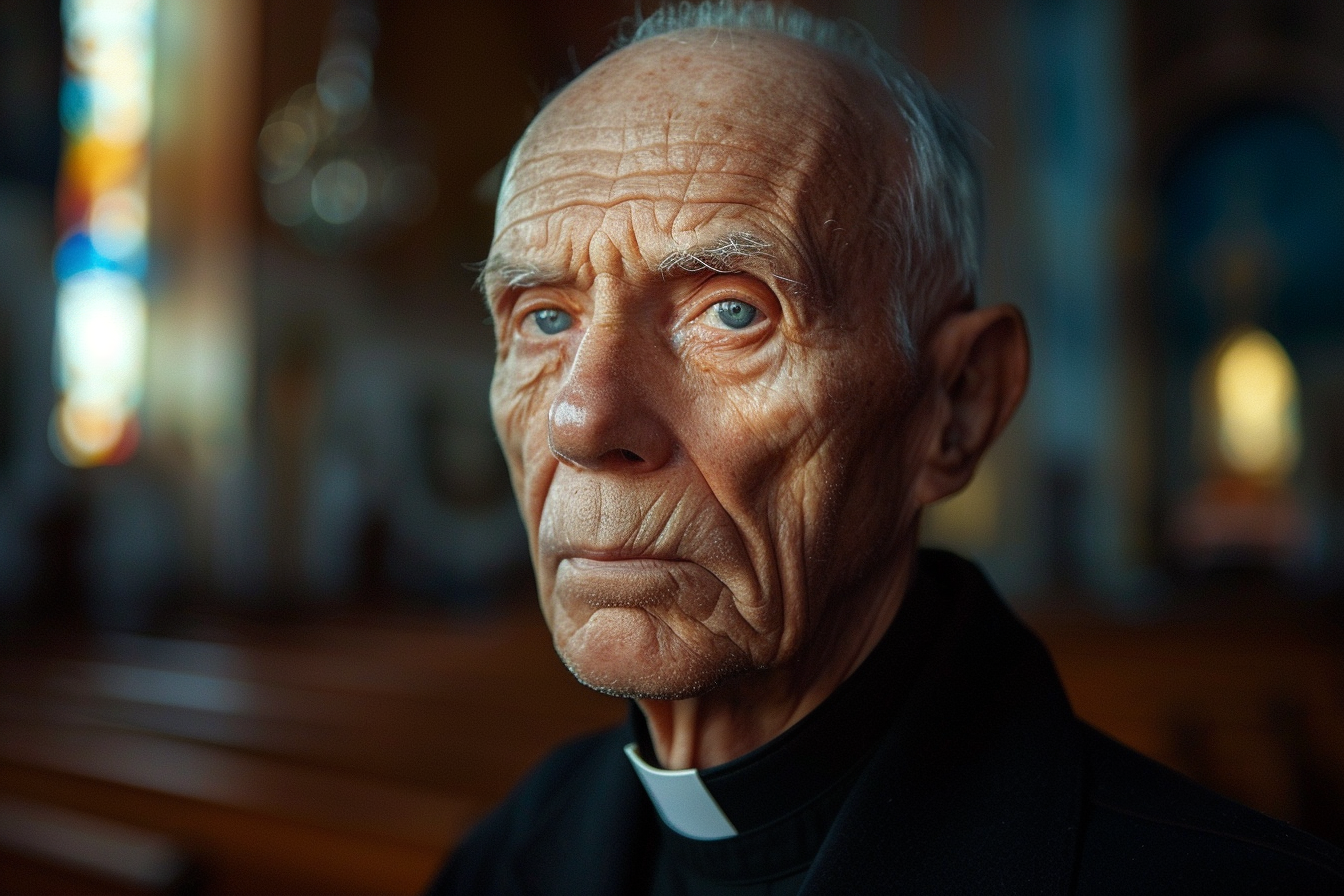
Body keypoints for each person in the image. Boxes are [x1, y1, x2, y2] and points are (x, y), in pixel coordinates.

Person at [428, 3, 1344, 893]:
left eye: (734, 312)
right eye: (544, 318)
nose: (581, 421)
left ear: (956, 404)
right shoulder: (506, 857)